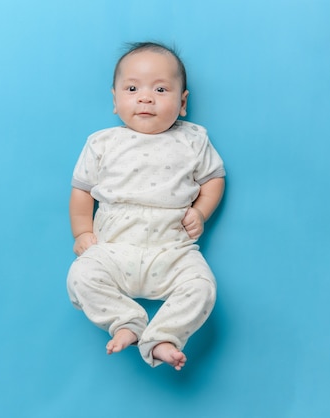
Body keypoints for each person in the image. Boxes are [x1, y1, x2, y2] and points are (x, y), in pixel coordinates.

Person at [66, 41, 225, 371]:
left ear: (182, 103)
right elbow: (81, 191)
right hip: (113, 248)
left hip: (173, 251)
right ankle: (125, 322)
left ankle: (165, 337)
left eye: (161, 89)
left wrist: (200, 211)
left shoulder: (193, 139)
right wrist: (82, 230)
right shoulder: (102, 143)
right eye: (133, 88)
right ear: (115, 99)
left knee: (202, 287)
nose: (145, 97)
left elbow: (214, 179)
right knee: (81, 276)